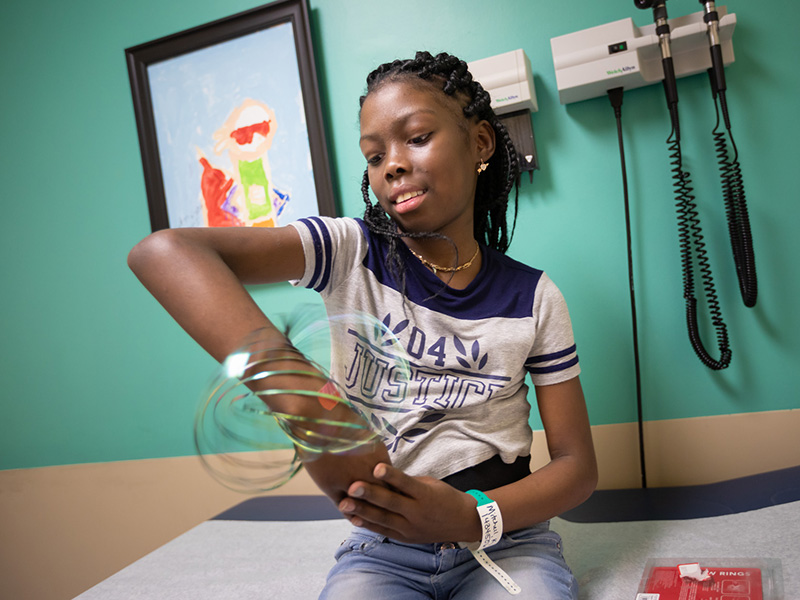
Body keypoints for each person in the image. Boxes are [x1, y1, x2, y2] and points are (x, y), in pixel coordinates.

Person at [128, 50, 597, 600]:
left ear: (481, 144)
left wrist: (473, 519)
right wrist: (307, 404)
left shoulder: (534, 297)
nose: (391, 165)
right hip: (384, 552)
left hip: (504, 538)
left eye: (416, 137)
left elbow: (577, 469)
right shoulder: (348, 251)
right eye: (374, 157)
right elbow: (163, 253)